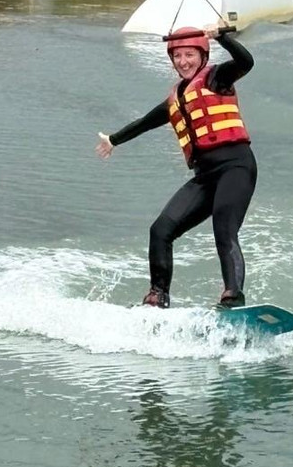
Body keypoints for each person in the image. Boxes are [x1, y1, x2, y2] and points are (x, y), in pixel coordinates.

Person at [96, 23, 257, 309]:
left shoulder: (218, 77)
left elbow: (246, 62)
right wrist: (113, 140)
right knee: (160, 230)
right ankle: (158, 296)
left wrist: (223, 38)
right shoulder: (177, 99)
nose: (183, 62)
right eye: (177, 56)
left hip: (236, 167)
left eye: (189, 55)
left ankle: (233, 296)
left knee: (224, 230)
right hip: (205, 176)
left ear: (202, 56)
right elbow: (144, 122)